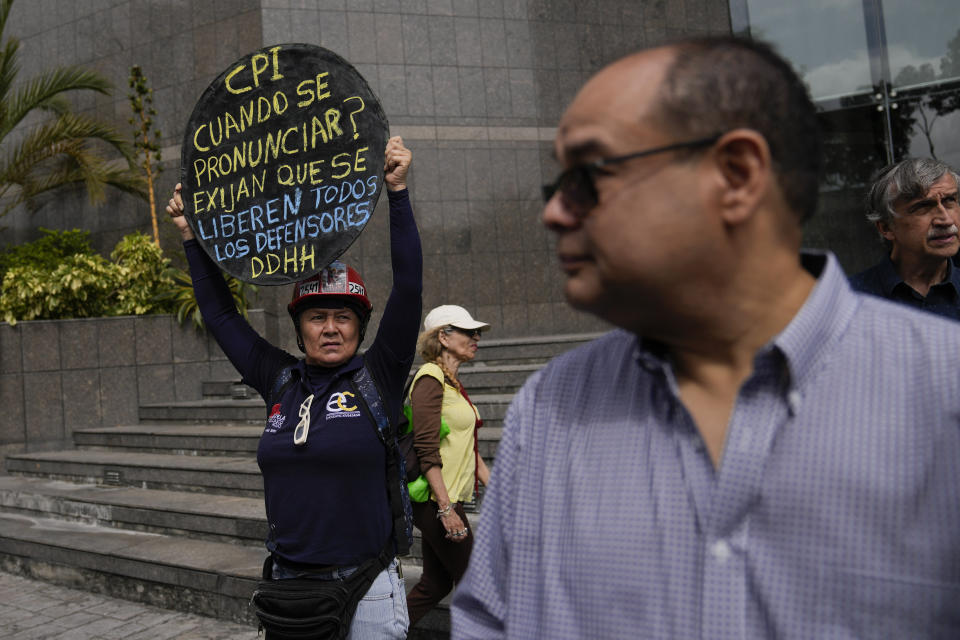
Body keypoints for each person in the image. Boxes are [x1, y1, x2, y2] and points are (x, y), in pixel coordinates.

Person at [451, 36, 960, 639]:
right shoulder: (552, 407)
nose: (554, 213)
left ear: (736, 175)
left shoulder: (942, 388)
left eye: (588, 176)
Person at [166, 136, 421, 639]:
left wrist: (396, 192)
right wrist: (192, 237)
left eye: (343, 317)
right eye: (317, 316)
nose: (330, 328)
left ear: (360, 326)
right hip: (289, 589)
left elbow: (408, 285)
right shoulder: (278, 378)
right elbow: (220, 315)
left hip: (367, 589)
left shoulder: (379, 375)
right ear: (299, 327)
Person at [405, 304, 492, 628]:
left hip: (446, 498)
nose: (477, 337)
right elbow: (427, 449)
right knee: (479, 584)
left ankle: (379, 633)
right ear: (443, 336)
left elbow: (468, 448)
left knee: (435, 584)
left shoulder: (452, 383)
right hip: (435, 500)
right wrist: (445, 508)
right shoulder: (430, 378)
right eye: (469, 331)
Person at [849, 157, 960, 319]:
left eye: (950, 200)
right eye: (923, 207)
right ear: (886, 228)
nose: (946, 220)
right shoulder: (848, 301)